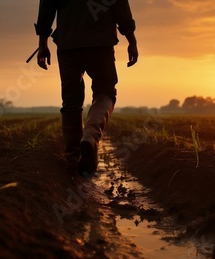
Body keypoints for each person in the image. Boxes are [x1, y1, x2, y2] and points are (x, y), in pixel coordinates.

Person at [36, 0, 138, 177]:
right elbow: (120, 5)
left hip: (68, 44)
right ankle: (90, 136)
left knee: (71, 103)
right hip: (101, 43)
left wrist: (42, 44)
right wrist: (132, 40)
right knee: (105, 92)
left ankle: (72, 160)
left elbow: (47, 6)